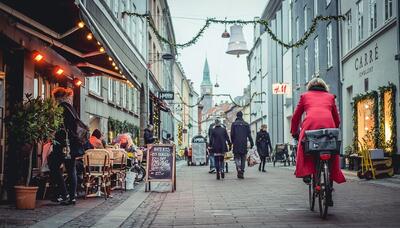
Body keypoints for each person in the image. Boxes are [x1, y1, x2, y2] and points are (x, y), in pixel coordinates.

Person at [290, 77, 345, 205]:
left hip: (311, 125)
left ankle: (306, 173)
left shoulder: (305, 96)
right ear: (324, 87)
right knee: (331, 155)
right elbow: (337, 119)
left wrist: (294, 132)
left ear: (309, 87)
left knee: (304, 146)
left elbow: (296, 117)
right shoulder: (330, 97)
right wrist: (334, 128)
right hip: (329, 126)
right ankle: (329, 192)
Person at [49, 87, 85, 205]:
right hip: (73, 144)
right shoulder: (72, 109)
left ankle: (64, 194)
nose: (55, 100)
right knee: (71, 169)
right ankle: (71, 197)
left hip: (63, 144)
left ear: (58, 97)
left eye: (55, 98)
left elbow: (59, 127)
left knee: (53, 165)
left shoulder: (61, 108)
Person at [231, 111, 254, 179]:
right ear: (242, 116)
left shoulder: (234, 124)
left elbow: (232, 135)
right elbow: (249, 135)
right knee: (243, 158)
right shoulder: (246, 124)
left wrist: (232, 142)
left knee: (237, 157)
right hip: (244, 143)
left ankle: (238, 168)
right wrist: (252, 143)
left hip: (236, 143)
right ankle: (242, 172)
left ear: (237, 116)